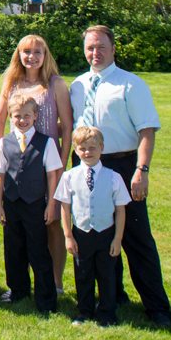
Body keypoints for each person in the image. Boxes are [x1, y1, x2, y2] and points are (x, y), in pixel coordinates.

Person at [68, 24, 171, 326]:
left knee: (136, 237)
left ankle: (157, 307)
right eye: (90, 47)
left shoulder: (130, 85)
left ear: (113, 49)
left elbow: (146, 131)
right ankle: (112, 296)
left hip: (124, 166)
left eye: (101, 46)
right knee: (96, 235)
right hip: (88, 167)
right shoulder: (77, 85)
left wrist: (141, 171)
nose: (95, 52)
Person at [0, 34, 73, 296]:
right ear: (19, 55)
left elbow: (67, 127)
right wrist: (2, 153)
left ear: (45, 55)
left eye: (38, 52)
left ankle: (54, 282)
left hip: (47, 164)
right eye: (26, 52)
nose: (32, 57)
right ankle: (20, 284)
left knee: (50, 222)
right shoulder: (12, 83)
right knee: (18, 223)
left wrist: (61, 163)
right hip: (18, 164)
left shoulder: (55, 84)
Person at [0, 94, 62, 315]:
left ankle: (46, 297)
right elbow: (0, 175)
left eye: (27, 116)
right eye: (17, 117)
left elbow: (52, 175)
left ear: (35, 116)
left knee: (38, 249)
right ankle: (18, 289)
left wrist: (51, 204)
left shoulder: (46, 143)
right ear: (11, 117)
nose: (22, 120)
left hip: (35, 205)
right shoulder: (4, 143)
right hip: (12, 203)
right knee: (13, 248)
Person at [55, 125, 129, 326]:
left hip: (106, 234)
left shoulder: (114, 177)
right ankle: (84, 311)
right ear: (76, 151)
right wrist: (68, 235)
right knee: (83, 274)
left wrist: (117, 238)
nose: (87, 152)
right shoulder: (69, 177)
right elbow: (65, 206)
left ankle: (107, 312)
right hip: (82, 233)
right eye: (82, 148)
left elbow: (121, 210)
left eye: (92, 148)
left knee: (107, 275)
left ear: (101, 148)